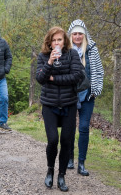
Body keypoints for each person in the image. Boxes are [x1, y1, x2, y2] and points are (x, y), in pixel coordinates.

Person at [36, 26, 83, 192]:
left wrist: (54, 78)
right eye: (54, 40)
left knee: (66, 141)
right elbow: (41, 79)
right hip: (49, 104)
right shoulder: (43, 56)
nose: (57, 43)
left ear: (65, 41)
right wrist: (49, 62)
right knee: (53, 140)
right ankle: (50, 170)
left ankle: (61, 175)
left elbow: (77, 76)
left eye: (59, 40)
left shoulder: (72, 54)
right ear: (49, 42)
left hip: (69, 103)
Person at [67, 19, 104, 176]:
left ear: (84, 34)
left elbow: (99, 71)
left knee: (83, 128)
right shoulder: (65, 49)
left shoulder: (92, 49)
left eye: (80, 33)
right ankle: (69, 159)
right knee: (69, 129)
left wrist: (95, 90)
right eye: (74, 33)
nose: (77, 36)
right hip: (69, 95)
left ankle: (81, 163)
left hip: (87, 94)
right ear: (71, 35)